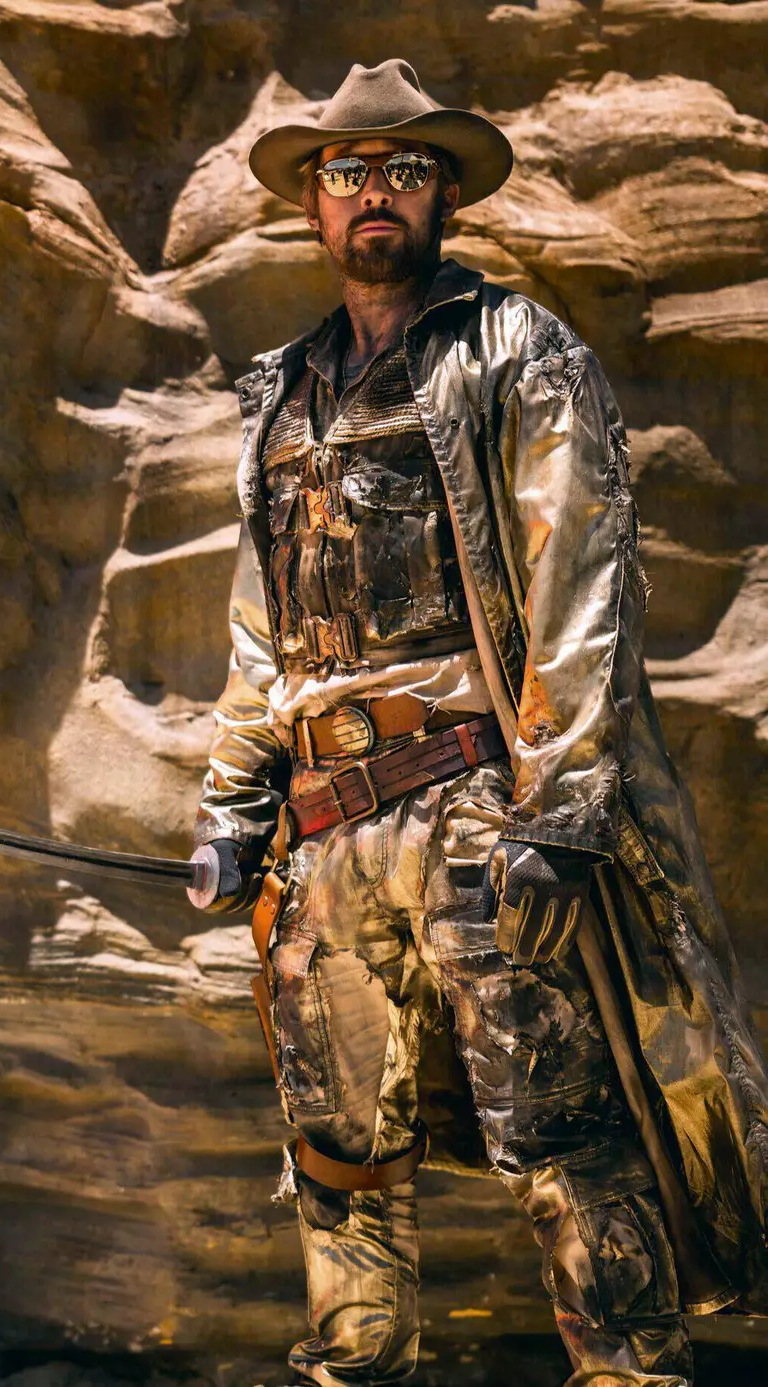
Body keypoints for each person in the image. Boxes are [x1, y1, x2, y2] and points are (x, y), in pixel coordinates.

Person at [184, 59, 768, 1386]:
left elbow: (579, 584)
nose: (371, 195)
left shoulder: (519, 354)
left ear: (440, 190)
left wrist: (558, 810)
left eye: (399, 170)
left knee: (561, 1130)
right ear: (311, 204)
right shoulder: (279, 392)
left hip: (474, 808)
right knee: (337, 1157)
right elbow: (256, 617)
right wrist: (232, 799)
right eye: (346, 174)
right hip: (323, 824)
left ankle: (626, 1373)